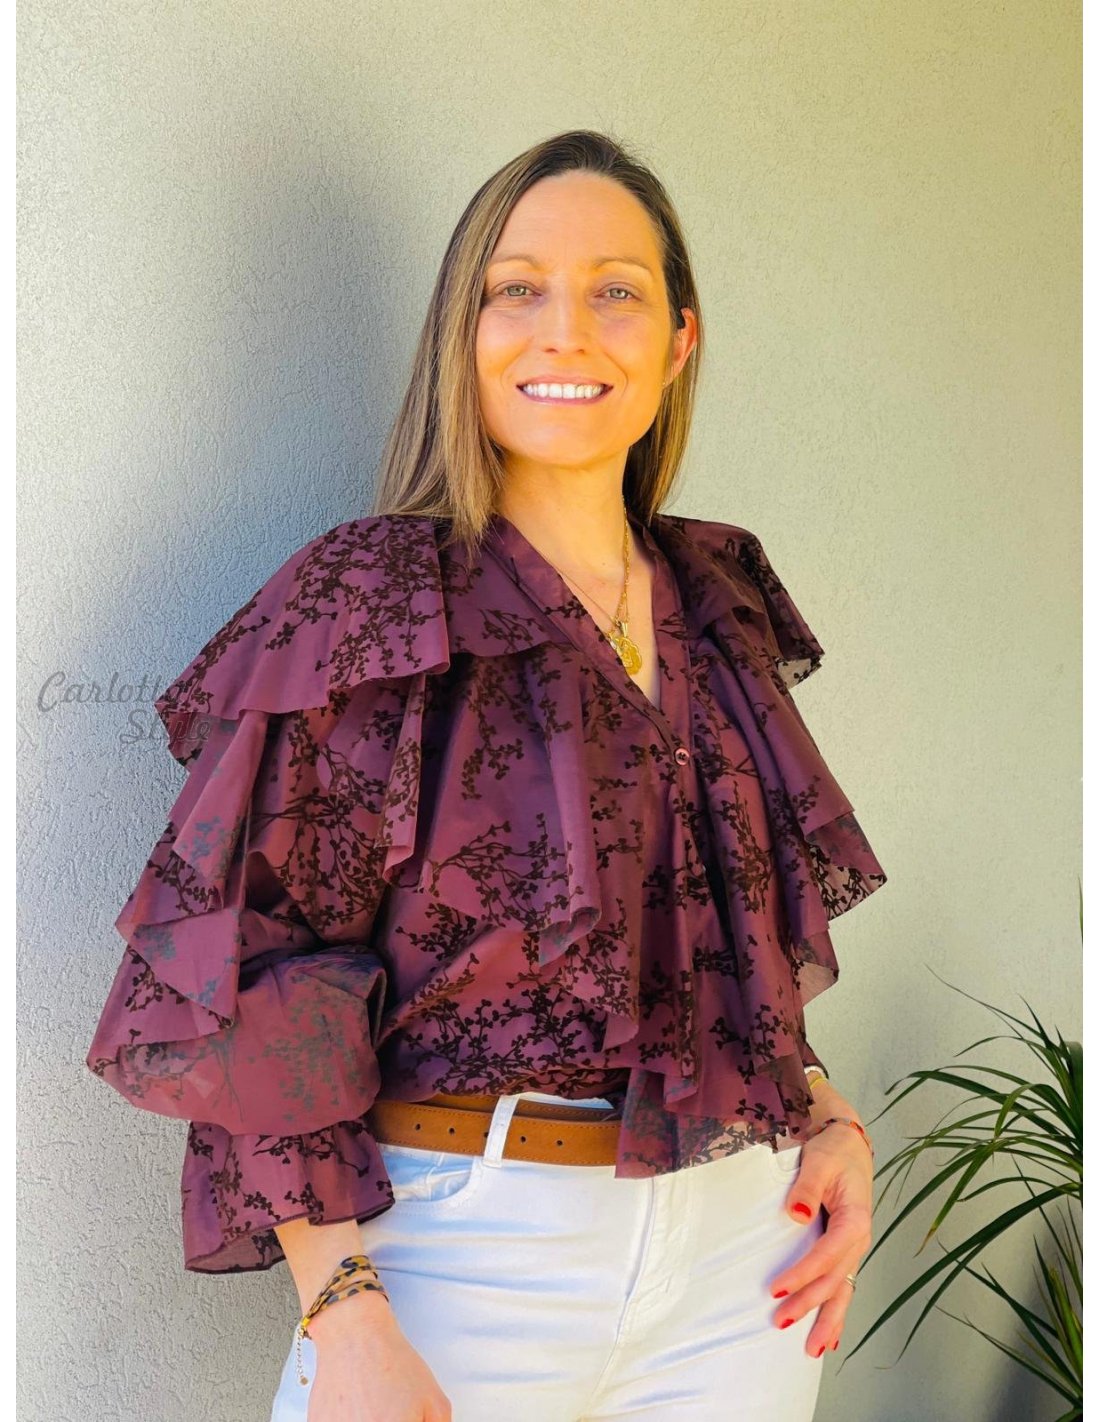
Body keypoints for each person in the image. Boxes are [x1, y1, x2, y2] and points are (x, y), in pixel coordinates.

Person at [86, 129, 887, 1422]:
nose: (565, 329)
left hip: (741, 1260)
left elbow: (710, 938)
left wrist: (828, 1113)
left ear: (678, 339)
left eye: (615, 290)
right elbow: (261, 970)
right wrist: (345, 1312)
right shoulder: (372, 597)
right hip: (460, 1256)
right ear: (464, 333)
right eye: (518, 289)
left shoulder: (715, 596)